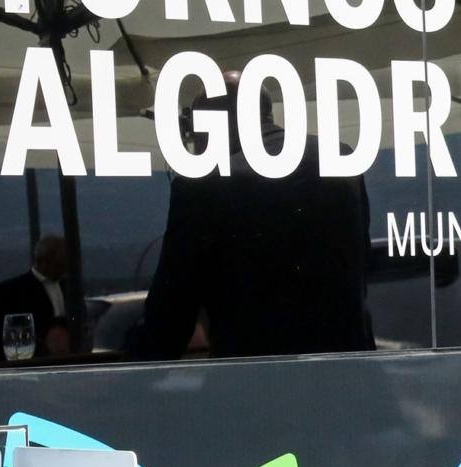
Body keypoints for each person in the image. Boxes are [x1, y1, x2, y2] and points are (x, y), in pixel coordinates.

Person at [139, 86, 374, 359]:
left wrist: (128, 383)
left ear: (210, 125)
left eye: (194, 133)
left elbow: (171, 315)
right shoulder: (340, 155)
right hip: (351, 370)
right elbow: (360, 260)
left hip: (255, 380)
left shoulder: (201, 187)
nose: (195, 145)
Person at [0, 232, 70, 360]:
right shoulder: (11, 292)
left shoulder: (69, 288)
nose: (64, 269)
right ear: (42, 260)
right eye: (60, 263)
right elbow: (4, 337)